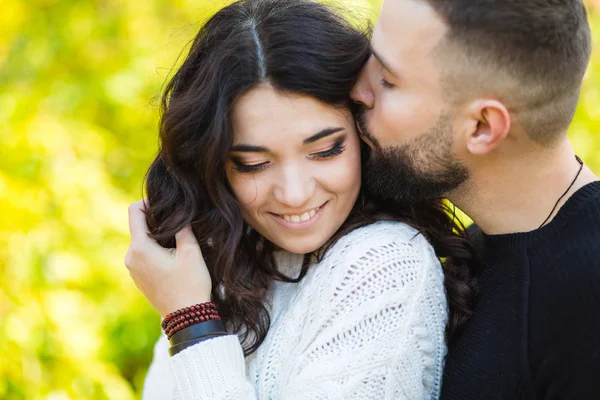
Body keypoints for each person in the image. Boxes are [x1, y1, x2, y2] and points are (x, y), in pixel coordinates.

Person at [125, 0, 477, 399]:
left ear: (363, 134)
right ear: (212, 164)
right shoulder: (224, 262)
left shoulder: (387, 263)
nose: (294, 193)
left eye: (326, 150)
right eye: (253, 164)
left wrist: (191, 322)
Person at [351, 0, 600, 398]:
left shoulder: (586, 305)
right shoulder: (483, 245)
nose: (358, 90)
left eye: (389, 80)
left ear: (483, 127)